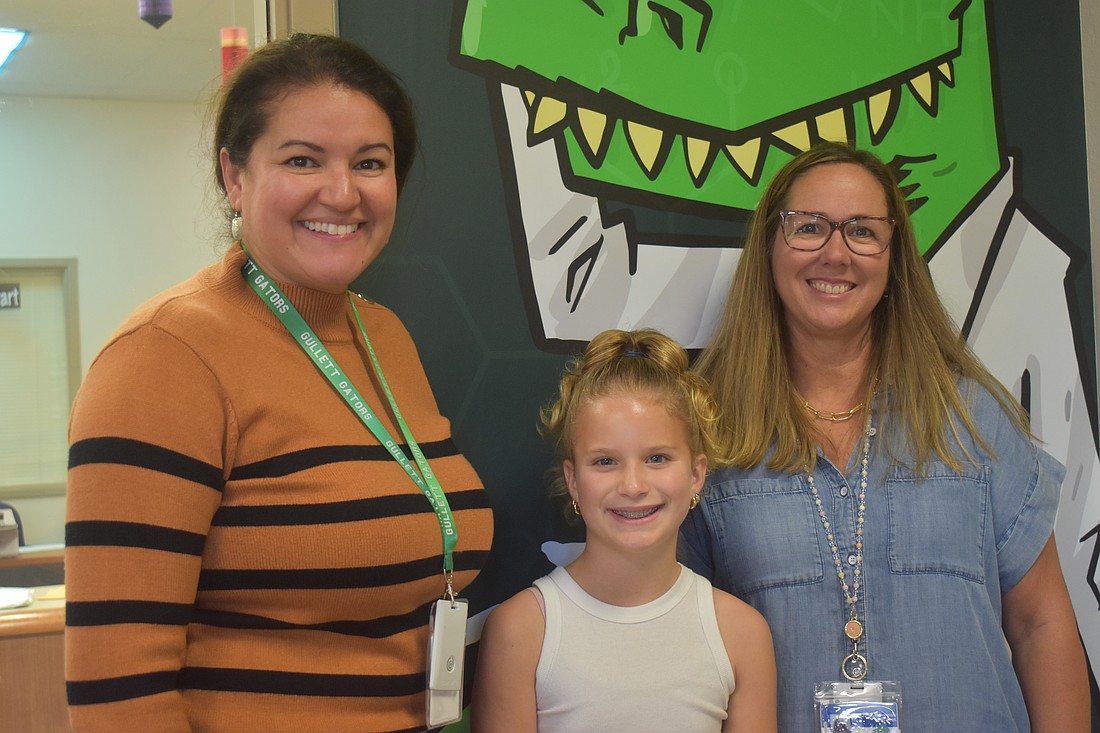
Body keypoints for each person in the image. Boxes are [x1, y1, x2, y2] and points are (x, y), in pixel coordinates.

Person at [64, 34, 493, 733]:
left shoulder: (385, 337)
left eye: (370, 163)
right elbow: (118, 697)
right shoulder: (164, 356)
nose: (342, 192)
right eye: (303, 159)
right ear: (235, 176)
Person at [679, 142, 1090, 731]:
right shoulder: (709, 433)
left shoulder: (972, 418)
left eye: (863, 232)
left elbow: (1040, 623)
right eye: (809, 227)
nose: (836, 252)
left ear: (893, 257)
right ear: (769, 247)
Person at [472, 329, 777, 732]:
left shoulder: (740, 632)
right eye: (604, 462)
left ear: (697, 474)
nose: (632, 486)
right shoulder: (523, 629)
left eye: (656, 458)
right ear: (574, 480)